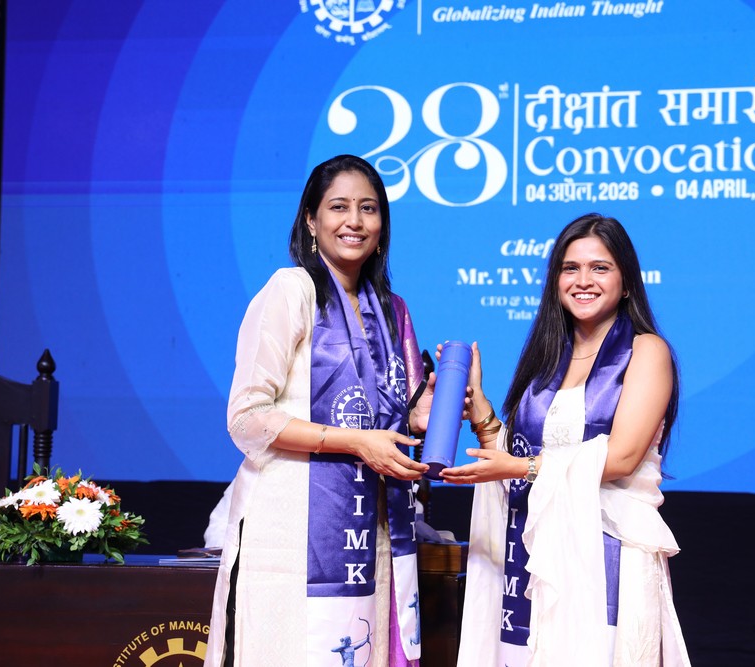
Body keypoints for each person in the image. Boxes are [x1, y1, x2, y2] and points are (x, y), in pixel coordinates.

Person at [204, 154, 433, 667]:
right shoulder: (291, 291)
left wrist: (428, 413)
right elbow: (246, 417)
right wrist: (354, 442)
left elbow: (400, 421)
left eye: (368, 208)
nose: (355, 221)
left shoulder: (392, 311)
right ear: (311, 219)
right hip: (288, 530)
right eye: (339, 207)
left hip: (368, 533)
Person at [441, 213, 691, 666]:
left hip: (609, 557)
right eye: (570, 268)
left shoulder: (646, 351)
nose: (583, 280)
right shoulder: (548, 358)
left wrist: (520, 467)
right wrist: (481, 410)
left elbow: (622, 457)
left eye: (600, 268)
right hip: (535, 555)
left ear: (626, 282)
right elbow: (521, 461)